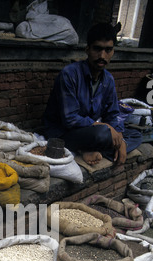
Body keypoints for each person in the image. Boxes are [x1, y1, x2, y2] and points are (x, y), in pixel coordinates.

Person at [43, 22, 142, 166]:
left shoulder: (108, 80)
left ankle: (92, 150)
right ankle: (87, 149)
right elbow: (70, 119)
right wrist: (106, 127)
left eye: (108, 50)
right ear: (87, 49)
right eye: (97, 49)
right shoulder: (69, 74)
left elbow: (112, 114)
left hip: (89, 131)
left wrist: (121, 140)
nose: (102, 55)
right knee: (102, 133)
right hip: (64, 133)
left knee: (135, 135)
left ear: (113, 52)